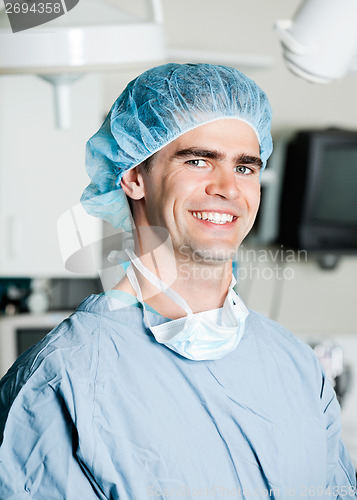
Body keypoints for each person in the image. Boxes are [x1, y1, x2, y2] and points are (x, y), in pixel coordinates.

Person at [0, 63, 355, 499]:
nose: (227, 187)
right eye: (199, 161)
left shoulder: (296, 367)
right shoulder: (61, 380)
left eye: (246, 168)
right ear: (132, 176)